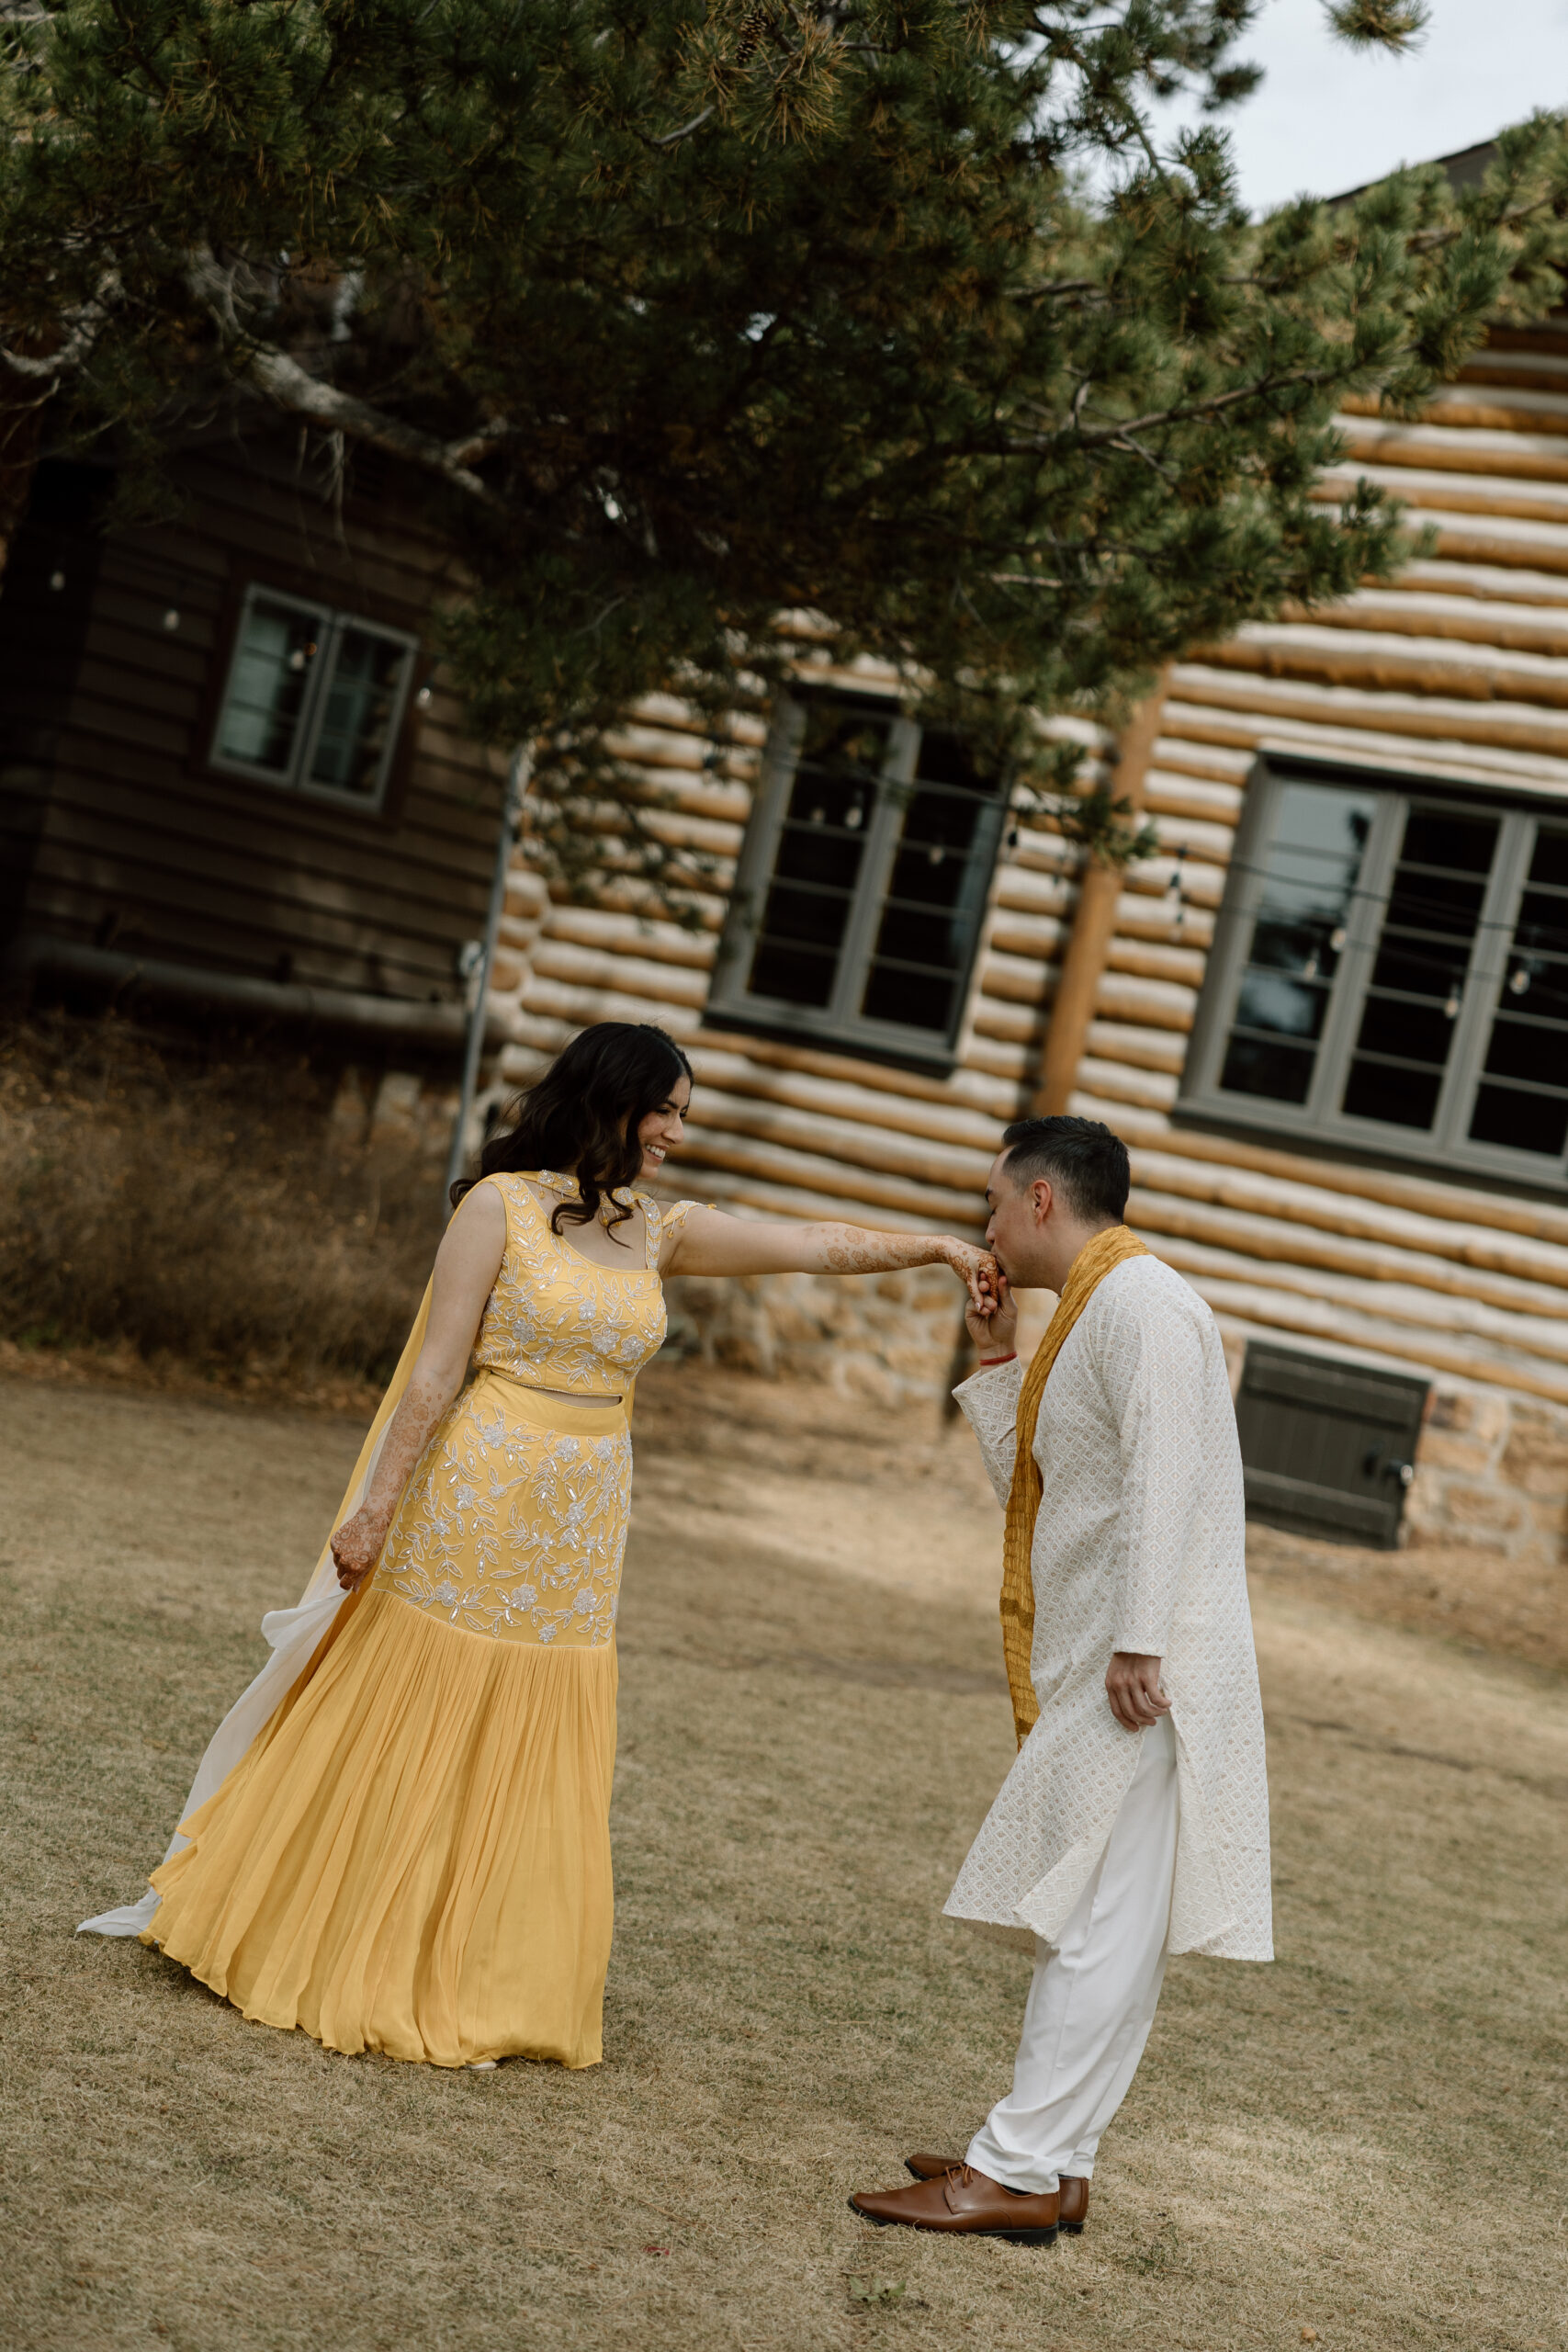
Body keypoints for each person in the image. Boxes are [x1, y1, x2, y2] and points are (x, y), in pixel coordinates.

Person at [79, 1021, 995, 2072]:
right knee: (420, 1701)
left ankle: (479, 1970)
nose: (678, 1135)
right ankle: (335, 1932)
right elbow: (434, 1372)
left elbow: (807, 1242)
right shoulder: (497, 1207)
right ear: (613, 1099)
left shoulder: (658, 1231)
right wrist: (374, 1507)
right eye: (669, 1112)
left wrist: (936, 1247)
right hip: (481, 1486)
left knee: (540, 1714)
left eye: (686, 1117)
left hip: (587, 1511)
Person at [850, 1114, 1270, 2247]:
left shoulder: (1144, 1304)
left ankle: (1018, 2168)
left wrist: (1142, 1640)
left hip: (1144, 1670)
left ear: (1042, 1200)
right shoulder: (1092, 1306)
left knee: (1092, 1920)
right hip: (1117, 1659)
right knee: (1096, 1919)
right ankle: (1054, 2160)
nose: (983, 1225)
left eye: (994, 1203)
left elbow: (1169, 1477)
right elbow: (1046, 1490)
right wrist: (999, 1353)